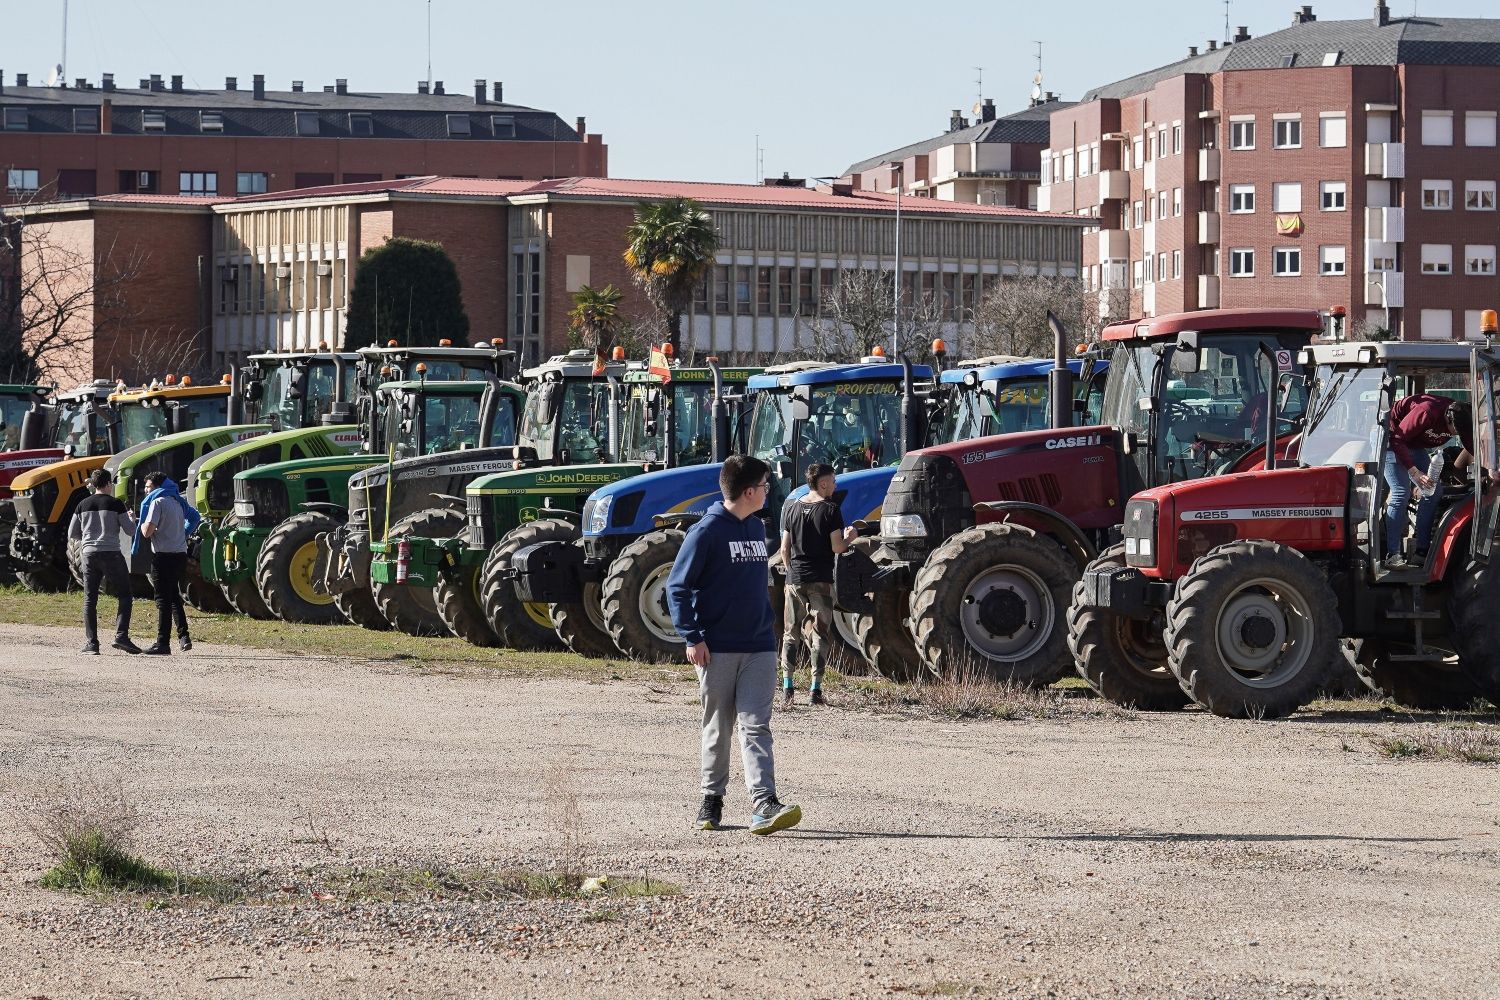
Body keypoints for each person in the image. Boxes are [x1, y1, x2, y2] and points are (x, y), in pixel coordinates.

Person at [666, 454, 802, 837]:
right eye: (764, 486)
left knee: (757, 726)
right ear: (747, 491)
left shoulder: (757, 528)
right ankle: (711, 801)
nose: (768, 491)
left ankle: (764, 803)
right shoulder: (706, 532)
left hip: (759, 645)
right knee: (719, 727)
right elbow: (677, 586)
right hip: (718, 648)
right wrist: (692, 637)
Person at [777, 463, 857, 707]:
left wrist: (792, 573)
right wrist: (851, 537)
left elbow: (784, 549)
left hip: (795, 580)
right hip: (820, 581)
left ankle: (788, 688)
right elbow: (837, 548)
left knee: (790, 633)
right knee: (820, 634)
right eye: (833, 481)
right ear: (822, 484)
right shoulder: (831, 510)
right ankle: (815, 690)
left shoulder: (792, 508)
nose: (835, 485)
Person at [1383, 394, 1472, 570]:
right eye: (1454, 431)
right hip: (1391, 439)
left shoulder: (1463, 417)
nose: (1455, 435)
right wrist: (1414, 472)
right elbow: (1398, 440)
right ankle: (1392, 555)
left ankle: (1421, 552)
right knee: (1401, 492)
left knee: (1434, 492)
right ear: (1448, 420)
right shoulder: (1427, 412)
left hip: (1414, 445)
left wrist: (1491, 469)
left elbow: (1471, 447)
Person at [68, 468, 141, 655]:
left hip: (89, 554)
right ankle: (121, 636)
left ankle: (92, 643)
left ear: (93, 484)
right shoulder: (116, 504)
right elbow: (130, 531)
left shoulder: (82, 504)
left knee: (90, 598)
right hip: (111, 553)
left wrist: (87, 537)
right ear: (108, 484)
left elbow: (72, 533)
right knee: (125, 595)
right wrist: (132, 519)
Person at [135, 471, 200, 654]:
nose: (146, 491)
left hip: (163, 556)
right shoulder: (178, 502)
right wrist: (183, 534)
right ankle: (183, 636)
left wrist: (138, 521)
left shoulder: (157, 502)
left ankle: (162, 642)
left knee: (162, 599)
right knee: (173, 596)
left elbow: (147, 532)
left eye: (148, 487)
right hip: (179, 555)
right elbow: (194, 518)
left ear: (156, 487)